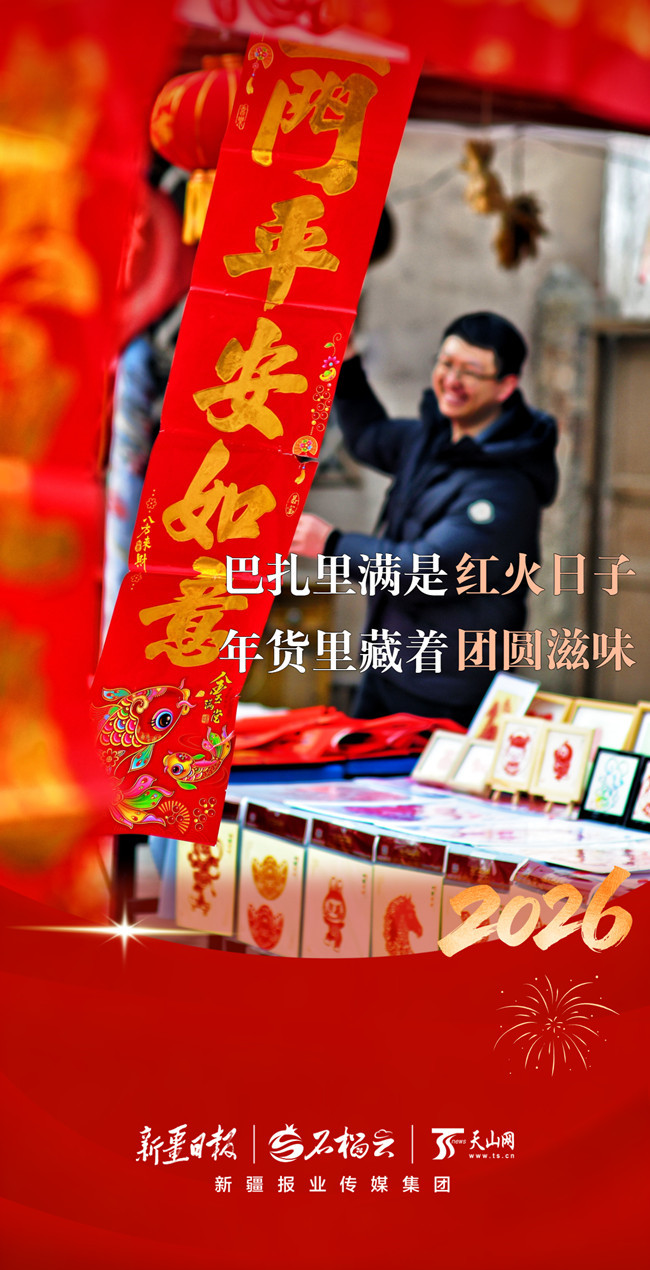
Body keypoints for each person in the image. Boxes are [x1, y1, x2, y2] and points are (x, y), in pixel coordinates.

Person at [291, 311, 559, 725]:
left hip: (445, 687)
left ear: (506, 386)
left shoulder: (506, 487)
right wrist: (347, 365)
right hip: (390, 663)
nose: (452, 380)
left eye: (471, 371)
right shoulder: (434, 437)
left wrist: (332, 545)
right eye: (446, 363)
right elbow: (369, 437)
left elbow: (427, 570)